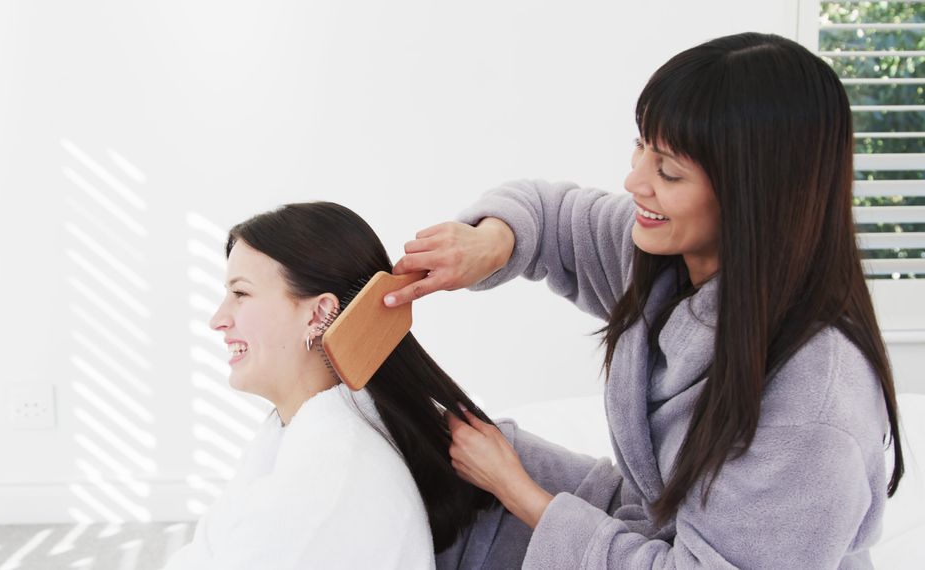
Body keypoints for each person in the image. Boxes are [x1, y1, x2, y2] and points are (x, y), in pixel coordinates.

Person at [386, 32, 905, 568]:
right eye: (641, 146)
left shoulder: (815, 404)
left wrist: (518, 490)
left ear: (754, 196)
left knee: (490, 482)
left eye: (669, 170)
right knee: (432, 455)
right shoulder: (675, 256)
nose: (634, 181)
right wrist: (489, 243)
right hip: (651, 534)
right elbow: (553, 217)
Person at [162, 202, 500, 569]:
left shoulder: (323, 490)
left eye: (240, 293)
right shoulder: (295, 440)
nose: (218, 319)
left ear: (319, 314)